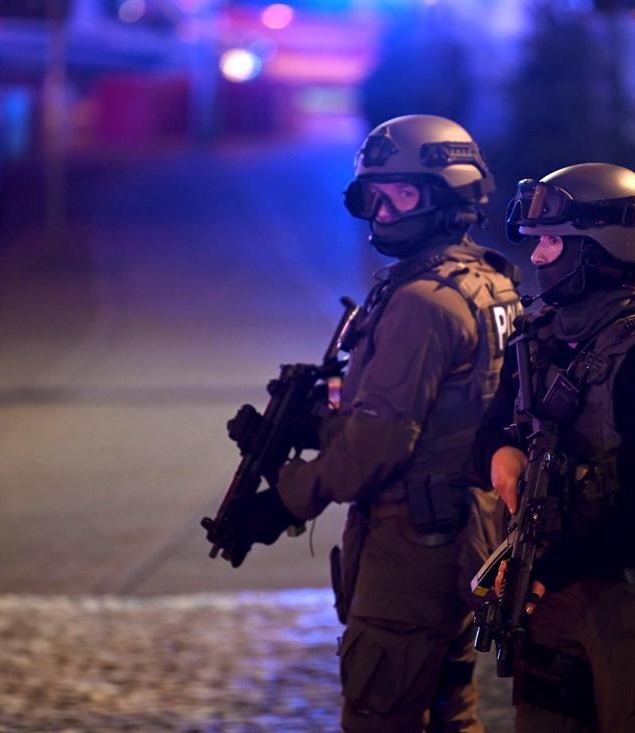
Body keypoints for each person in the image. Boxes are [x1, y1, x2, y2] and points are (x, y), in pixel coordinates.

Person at [228, 114, 522, 732]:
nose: (383, 212)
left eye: (403, 193)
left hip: (411, 548)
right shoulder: (488, 283)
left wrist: (284, 501)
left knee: (379, 716)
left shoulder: (423, 301)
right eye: (373, 195)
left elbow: (379, 444)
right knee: (450, 713)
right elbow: (441, 407)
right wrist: (310, 426)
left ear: (449, 196)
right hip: (466, 531)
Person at [474, 162, 635, 732]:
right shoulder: (538, 338)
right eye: (536, 243)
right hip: (553, 598)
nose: (535, 258)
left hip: (634, 602)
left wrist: (550, 568)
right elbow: (489, 431)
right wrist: (501, 452)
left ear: (602, 250)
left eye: (553, 242)